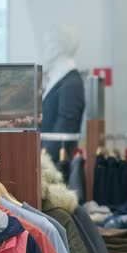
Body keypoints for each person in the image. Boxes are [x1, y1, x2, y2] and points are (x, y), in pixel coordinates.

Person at [41, 25, 85, 163]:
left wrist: (43, 159)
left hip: (57, 165)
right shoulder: (62, 80)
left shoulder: (71, 84)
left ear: (56, 48)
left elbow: (64, 128)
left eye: (47, 45)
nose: (44, 50)